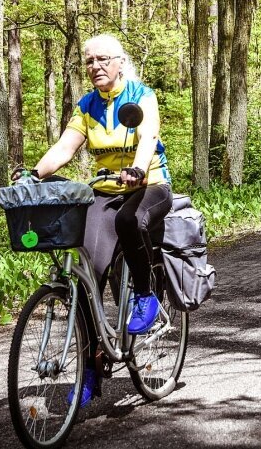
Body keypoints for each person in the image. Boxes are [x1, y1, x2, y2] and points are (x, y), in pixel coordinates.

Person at [19, 34, 172, 407]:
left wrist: (137, 168)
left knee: (128, 222)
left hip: (148, 185)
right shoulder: (87, 105)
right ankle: (91, 367)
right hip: (106, 190)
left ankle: (145, 296)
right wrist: (33, 174)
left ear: (120, 62)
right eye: (89, 61)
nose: (95, 67)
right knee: (88, 271)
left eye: (103, 59)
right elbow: (65, 147)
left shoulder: (142, 95)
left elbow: (148, 135)